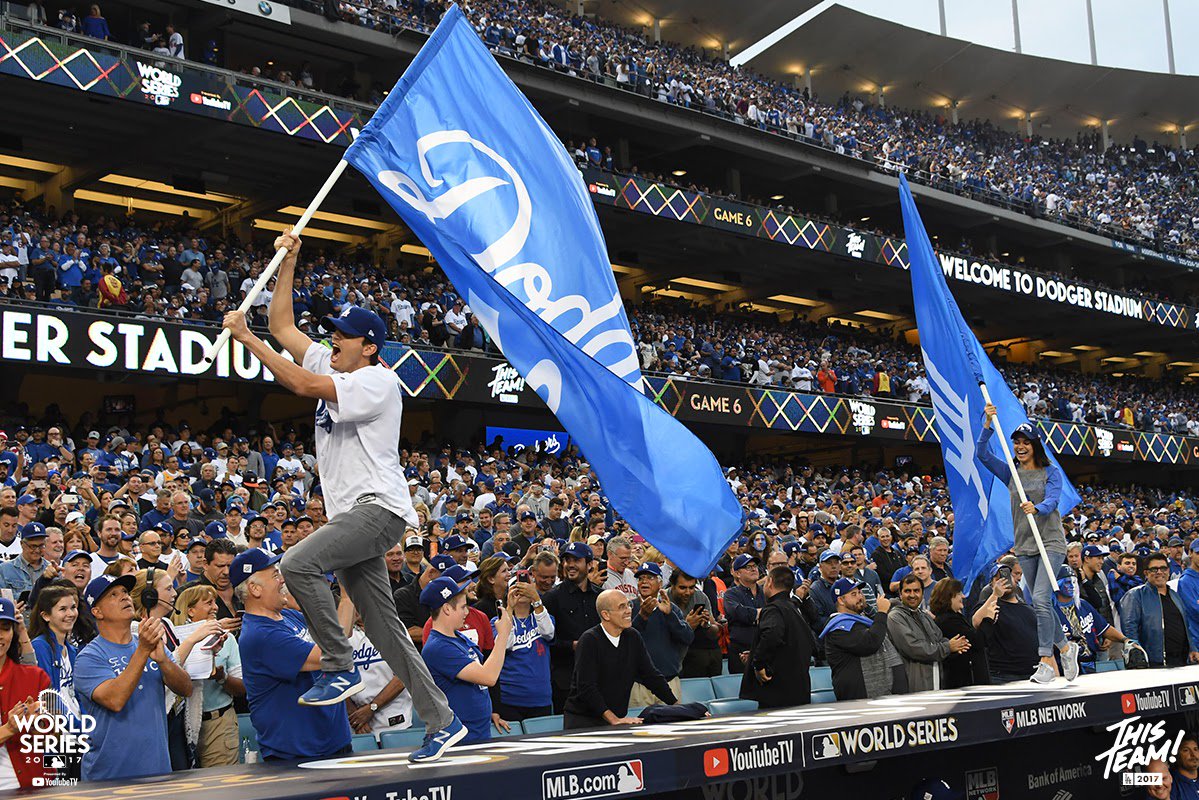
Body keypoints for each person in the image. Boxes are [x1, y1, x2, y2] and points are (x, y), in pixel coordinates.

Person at [223, 231, 463, 763]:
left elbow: (302, 386)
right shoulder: (332, 363)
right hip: (357, 514)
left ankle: (337, 662)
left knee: (298, 563)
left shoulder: (378, 380)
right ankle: (442, 721)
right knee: (383, 626)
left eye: (343, 336)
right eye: (332, 333)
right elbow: (284, 325)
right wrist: (290, 259)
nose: (333, 340)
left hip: (378, 509)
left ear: (370, 346)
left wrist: (247, 340)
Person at [978, 405, 1078, 683]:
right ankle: (1067, 648)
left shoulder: (1051, 472)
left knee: (1041, 599)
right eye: (1017, 443)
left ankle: (1045, 659)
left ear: (1035, 446)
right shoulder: (1011, 472)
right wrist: (987, 425)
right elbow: (982, 455)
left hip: (1050, 542)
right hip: (1024, 544)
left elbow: (1054, 500)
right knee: (1039, 602)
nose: (1020, 447)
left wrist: (1038, 507)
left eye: (1026, 443)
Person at [234, 548, 352, 762]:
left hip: (332, 742)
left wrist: (348, 598)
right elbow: (333, 651)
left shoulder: (288, 616)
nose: (282, 581)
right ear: (255, 589)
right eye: (275, 575)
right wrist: (346, 597)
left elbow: (339, 634)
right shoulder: (260, 636)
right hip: (297, 753)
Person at [74, 573, 193, 782]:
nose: (124, 597)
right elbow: (115, 700)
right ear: (97, 612)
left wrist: (163, 661)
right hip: (110, 775)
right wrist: (143, 651)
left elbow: (186, 689)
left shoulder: (148, 642)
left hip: (157, 769)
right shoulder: (89, 657)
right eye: (113, 594)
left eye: (126, 592)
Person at [563, 589, 677, 729]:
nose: (629, 610)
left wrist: (678, 706)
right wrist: (613, 719)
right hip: (584, 722)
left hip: (616, 719)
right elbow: (586, 688)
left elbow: (651, 675)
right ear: (606, 615)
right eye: (622, 607)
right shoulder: (589, 640)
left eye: (629, 605)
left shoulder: (633, 636)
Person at [420, 575, 513, 744]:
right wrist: (503, 635)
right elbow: (488, 677)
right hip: (460, 738)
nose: (467, 612)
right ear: (447, 609)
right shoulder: (438, 647)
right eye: (463, 607)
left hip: (478, 732)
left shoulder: (459, 639)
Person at [170, 584, 244, 767]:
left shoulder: (227, 639)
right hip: (179, 730)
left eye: (215, 602)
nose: (216, 607)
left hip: (218, 724)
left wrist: (222, 677)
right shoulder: (173, 640)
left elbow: (242, 688)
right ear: (190, 610)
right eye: (208, 602)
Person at [739, 566, 815, 708]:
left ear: (770, 582)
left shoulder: (773, 609)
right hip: (799, 688)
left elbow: (772, 635)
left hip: (778, 691)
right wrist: (756, 652)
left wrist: (758, 663)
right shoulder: (794, 609)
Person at [542, 542, 602, 713]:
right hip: (565, 681)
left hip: (598, 677)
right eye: (567, 560)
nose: (570, 564)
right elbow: (545, 641)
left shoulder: (600, 596)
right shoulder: (552, 598)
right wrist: (572, 646)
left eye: (577, 560)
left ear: (590, 564)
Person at [821, 578, 902, 701]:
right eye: (853, 594)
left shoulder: (860, 621)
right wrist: (881, 612)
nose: (860, 597)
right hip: (858, 698)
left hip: (875, 696)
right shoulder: (839, 627)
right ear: (841, 600)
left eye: (860, 592)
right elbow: (870, 643)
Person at [887, 574, 970, 691]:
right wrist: (948, 647)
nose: (912, 595)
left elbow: (939, 638)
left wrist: (956, 645)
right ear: (900, 594)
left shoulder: (924, 615)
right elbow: (914, 648)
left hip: (936, 680)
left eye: (916, 591)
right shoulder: (895, 617)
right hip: (914, 685)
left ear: (922, 593)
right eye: (907, 591)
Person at [492, 570, 554, 722]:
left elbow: (549, 633)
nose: (522, 592)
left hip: (540, 697)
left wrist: (536, 599)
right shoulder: (497, 622)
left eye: (527, 588)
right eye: (517, 588)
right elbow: (506, 644)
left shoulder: (543, 617)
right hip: (510, 699)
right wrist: (510, 609)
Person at [0, 597, 48, 790]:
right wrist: (9, 729)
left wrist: (38, 725)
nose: (0, 635)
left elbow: (51, 739)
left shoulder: (34, 677)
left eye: (5, 627)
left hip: (30, 786)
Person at [629, 562, 692, 708]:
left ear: (660, 583)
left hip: (669, 681)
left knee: (674, 727)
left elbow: (687, 637)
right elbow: (625, 640)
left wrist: (670, 615)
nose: (644, 581)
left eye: (650, 578)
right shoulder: (629, 607)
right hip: (639, 685)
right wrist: (642, 616)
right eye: (641, 578)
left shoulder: (671, 608)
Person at [1120, 552, 1197, 668]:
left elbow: (1185, 625)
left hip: (1181, 661)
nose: (1160, 572)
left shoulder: (1175, 595)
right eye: (1154, 569)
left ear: (1168, 571)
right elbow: (1130, 629)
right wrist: (1137, 656)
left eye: (1163, 568)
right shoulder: (1135, 595)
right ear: (1146, 573)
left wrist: (1193, 649)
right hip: (1153, 664)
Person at [977, 562, 1040, 683]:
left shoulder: (1028, 609)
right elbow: (976, 622)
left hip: (1033, 674)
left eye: (1007, 577)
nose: (1004, 582)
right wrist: (995, 594)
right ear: (992, 584)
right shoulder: (989, 606)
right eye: (998, 579)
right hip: (1004, 676)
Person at [1052, 578, 1127, 675]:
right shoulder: (1049, 611)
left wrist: (1125, 640)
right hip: (1063, 668)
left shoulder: (1083, 604)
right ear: (1057, 584)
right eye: (1067, 582)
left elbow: (1104, 627)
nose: (1072, 585)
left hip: (1090, 663)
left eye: (1074, 582)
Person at [29, 584, 80, 718]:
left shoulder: (73, 650)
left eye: (73, 607)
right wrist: (79, 729)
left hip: (78, 725)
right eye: (63, 609)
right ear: (46, 615)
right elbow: (50, 699)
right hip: (59, 730)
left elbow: (78, 694)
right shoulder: (40, 646)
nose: (70, 614)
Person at [930, 579, 991, 688]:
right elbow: (978, 641)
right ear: (949, 597)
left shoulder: (954, 618)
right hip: (963, 684)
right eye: (959, 593)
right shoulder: (949, 621)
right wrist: (988, 620)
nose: (963, 596)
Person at [669, 570, 722, 678]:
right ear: (672, 586)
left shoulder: (700, 596)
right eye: (682, 588)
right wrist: (687, 625)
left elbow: (714, 631)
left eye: (691, 587)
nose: (688, 592)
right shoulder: (664, 599)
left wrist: (706, 625)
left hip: (697, 650)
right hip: (671, 652)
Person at [723, 554, 764, 675]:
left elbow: (775, 615)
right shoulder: (730, 594)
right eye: (748, 567)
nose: (753, 569)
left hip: (763, 648)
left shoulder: (766, 591)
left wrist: (755, 614)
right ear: (737, 573)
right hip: (740, 650)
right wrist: (762, 613)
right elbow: (739, 613)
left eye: (755, 566)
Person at [1171, 734, 1199, 800]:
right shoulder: (1170, 784)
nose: (1193, 754)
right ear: (1175, 755)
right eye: (1186, 750)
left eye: (1195, 749)